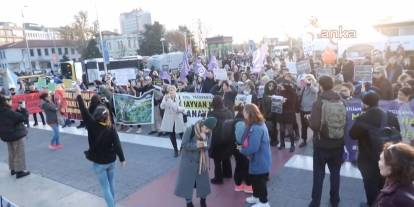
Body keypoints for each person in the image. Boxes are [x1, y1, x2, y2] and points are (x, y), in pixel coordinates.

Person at [76, 87, 126, 207]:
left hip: (99, 162)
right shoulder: (111, 128)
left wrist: (78, 95)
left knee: (105, 187)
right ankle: (112, 203)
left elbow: (83, 110)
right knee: (111, 183)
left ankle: (111, 205)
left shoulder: (91, 124)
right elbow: (117, 144)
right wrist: (122, 159)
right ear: (106, 116)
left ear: (95, 115)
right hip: (111, 160)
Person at [350, 91, 401, 207]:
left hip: (368, 160)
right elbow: (398, 133)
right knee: (384, 185)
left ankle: (372, 204)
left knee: (370, 186)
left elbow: (352, 134)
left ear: (365, 104)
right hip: (387, 158)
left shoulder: (363, 117)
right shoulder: (390, 115)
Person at [309, 76, 347, 207]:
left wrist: (309, 120)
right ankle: (335, 199)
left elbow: (314, 125)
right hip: (338, 143)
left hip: (321, 144)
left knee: (318, 175)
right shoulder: (341, 101)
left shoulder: (318, 103)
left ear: (321, 86)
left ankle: (315, 202)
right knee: (335, 173)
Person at [175, 117, 217, 207]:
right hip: (188, 161)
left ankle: (203, 200)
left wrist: (204, 140)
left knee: (203, 184)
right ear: (203, 124)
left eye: (209, 130)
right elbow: (184, 145)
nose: (207, 131)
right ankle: (189, 202)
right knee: (187, 184)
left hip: (201, 162)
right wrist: (198, 144)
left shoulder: (209, 132)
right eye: (206, 128)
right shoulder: (190, 130)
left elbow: (208, 146)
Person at [241, 104, 272, 207]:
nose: (243, 114)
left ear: (249, 113)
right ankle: (256, 197)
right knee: (255, 179)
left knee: (259, 181)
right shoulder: (257, 124)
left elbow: (253, 147)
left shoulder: (257, 128)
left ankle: (264, 202)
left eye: (244, 112)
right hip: (258, 160)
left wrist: (242, 150)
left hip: (260, 160)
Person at [373, 142, 414, 207]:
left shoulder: (389, 200)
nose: (378, 162)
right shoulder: (407, 182)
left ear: (392, 168)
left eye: (381, 160)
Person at [0, 95, 30, 179]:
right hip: (15, 135)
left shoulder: (4, 111)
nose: (10, 101)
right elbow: (23, 118)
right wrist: (23, 109)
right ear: (4, 102)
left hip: (6, 135)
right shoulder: (8, 111)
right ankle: (19, 171)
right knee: (19, 153)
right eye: (8, 99)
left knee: (11, 152)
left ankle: (13, 169)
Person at [208, 96, 234, 184]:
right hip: (228, 136)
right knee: (226, 156)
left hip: (217, 138)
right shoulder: (229, 111)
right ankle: (228, 173)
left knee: (217, 159)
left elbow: (209, 126)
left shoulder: (212, 113)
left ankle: (218, 178)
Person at [160, 85, 186, 157]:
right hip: (169, 119)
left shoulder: (179, 97)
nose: (171, 92)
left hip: (178, 118)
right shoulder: (166, 97)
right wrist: (166, 100)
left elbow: (183, 108)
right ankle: (175, 150)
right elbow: (161, 106)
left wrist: (178, 108)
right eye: (170, 91)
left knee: (182, 134)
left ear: (175, 91)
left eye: (172, 90)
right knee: (172, 135)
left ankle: (182, 148)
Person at [233, 104, 253, 193]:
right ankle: (248, 185)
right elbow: (241, 138)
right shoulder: (242, 123)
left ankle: (238, 185)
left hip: (235, 147)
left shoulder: (235, 120)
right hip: (242, 147)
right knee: (246, 165)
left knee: (239, 165)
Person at [298, 74, 318, 148]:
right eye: (306, 79)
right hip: (302, 109)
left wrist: (310, 83)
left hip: (310, 110)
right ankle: (304, 140)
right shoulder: (304, 87)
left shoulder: (314, 86)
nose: (307, 80)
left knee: (312, 125)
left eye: (309, 79)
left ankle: (316, 139)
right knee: (304, 126)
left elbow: (315, 91)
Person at [278, 82, 298, 152]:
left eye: (283, 87)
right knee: (281, 129)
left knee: (290, 130)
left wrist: (286, 101)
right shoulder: (280, 93)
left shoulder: (292, 94)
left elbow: (294, 103)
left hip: (289, 114)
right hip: (282, 114)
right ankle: (282, 143)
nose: (281, 88)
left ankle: (292, 145)